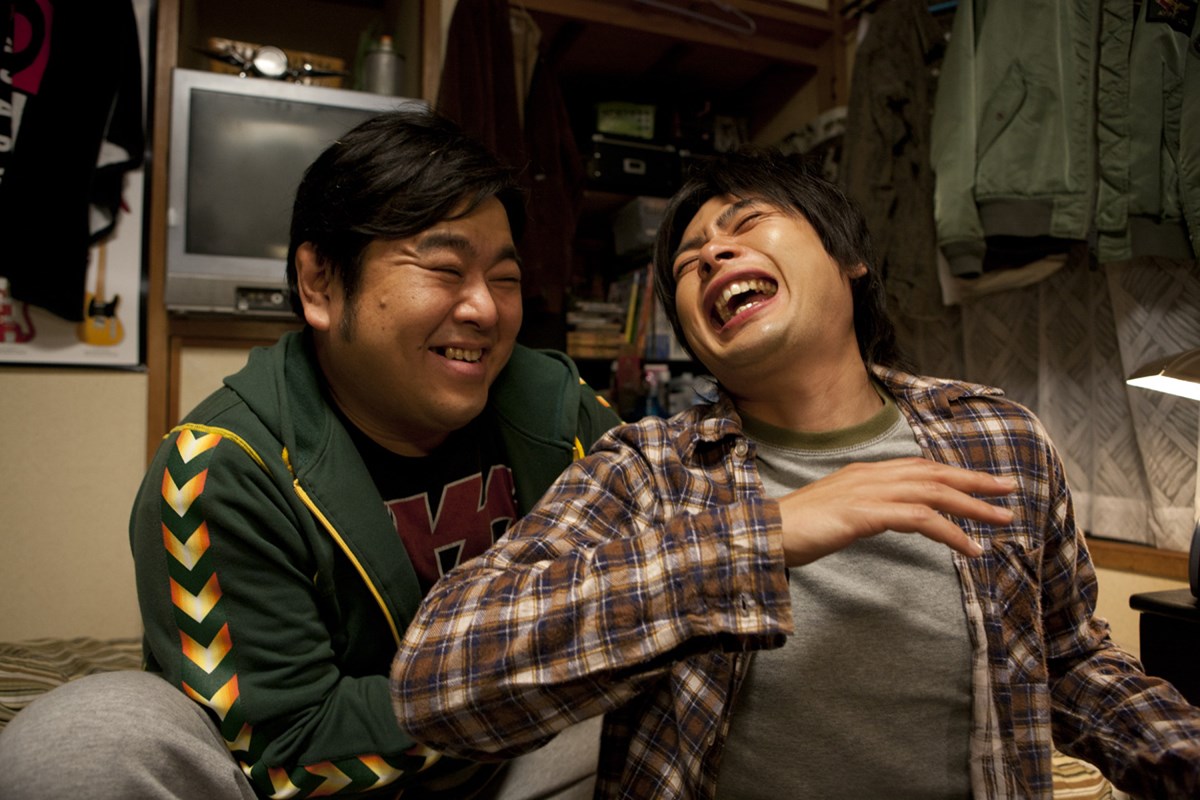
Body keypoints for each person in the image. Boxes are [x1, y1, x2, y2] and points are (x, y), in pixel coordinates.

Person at [391, 147, 1200, 799]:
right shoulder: (646, 471)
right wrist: (763, 537)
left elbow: (1067, 662)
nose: (712, 255)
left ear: (850, 259)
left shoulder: (998, 438)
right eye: (687, 261)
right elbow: (437, 683)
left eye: (746, 224)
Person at [0, 109, 620, 799]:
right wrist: (546, 668)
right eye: (444, 269)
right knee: (83, 736)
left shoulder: (555, 406)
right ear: (319, 284)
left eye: (504, 278)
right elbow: (289, 747)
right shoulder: (221, 469)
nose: (486, 310)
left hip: (515, 765)